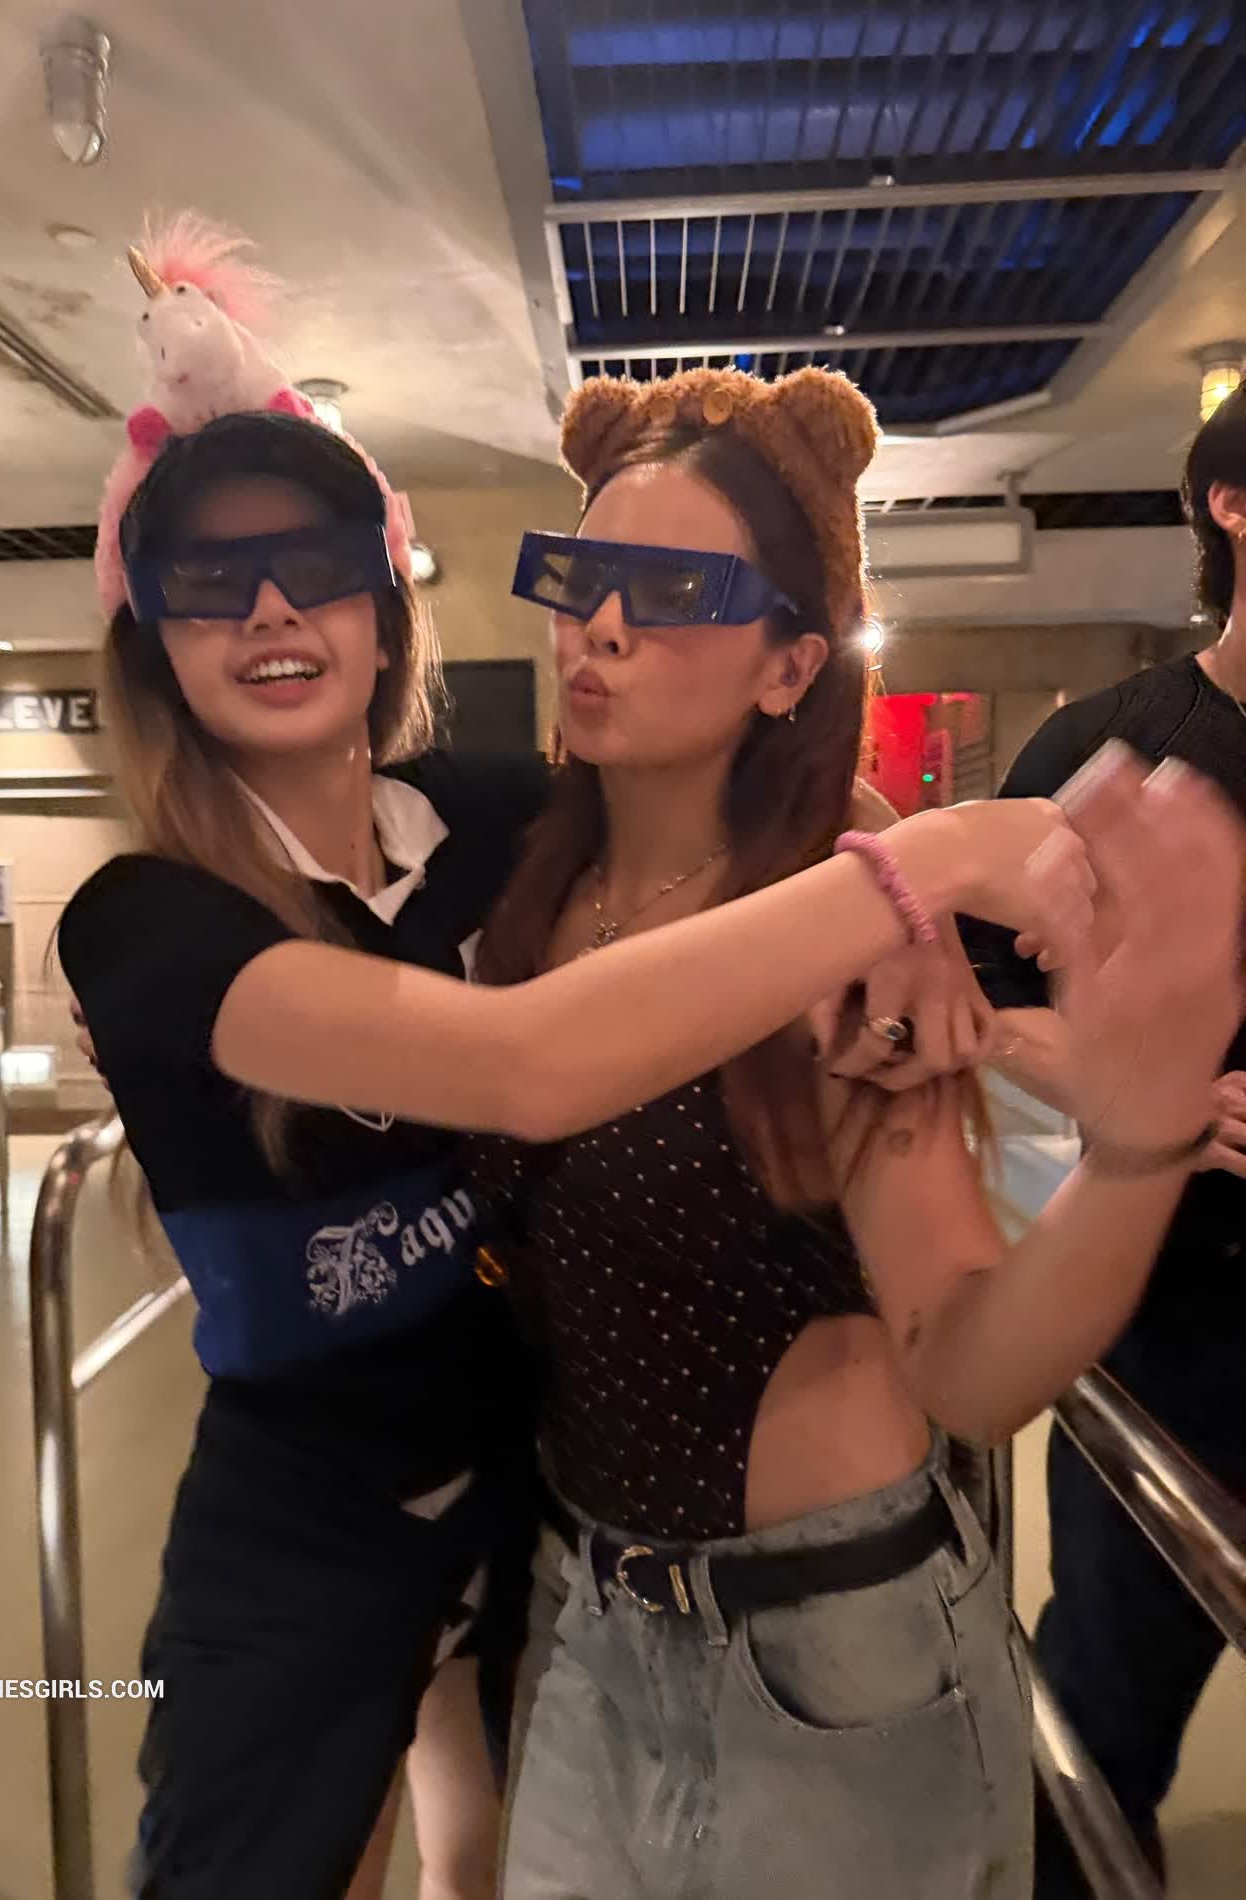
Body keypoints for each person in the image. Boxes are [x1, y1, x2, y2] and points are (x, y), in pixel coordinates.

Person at [56, 382, 1134, 1900]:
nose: (270, 611)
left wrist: (902, 891)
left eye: (315, 565)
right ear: (150, 638)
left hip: (558, 1494)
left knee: (480, 1851)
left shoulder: (485, 825)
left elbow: (738, 798)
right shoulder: (144, 921)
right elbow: (529, 1067)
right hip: (314, 1505)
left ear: (386, 604)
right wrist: (934, 867)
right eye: (209, 580)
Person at [457, 365, 1243, 1900]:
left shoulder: (845, 941)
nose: (598, 627)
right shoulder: (521, 886)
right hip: (585, 1617)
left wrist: (1138, 1142)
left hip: (822, 1658)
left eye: (668, 590)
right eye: (577, 576)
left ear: (788, 666)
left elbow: (969, 1362)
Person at [961, 382, 1246, 1895]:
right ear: (1230, 507)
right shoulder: (1114, 748)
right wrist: (1143, 1096)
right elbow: (971, 997)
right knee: (1099, 1722)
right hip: (1172, 1318)